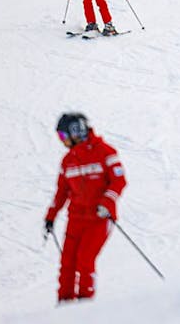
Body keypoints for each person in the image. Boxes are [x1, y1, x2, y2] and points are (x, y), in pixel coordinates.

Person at [44, 113, 126, 302]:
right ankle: (64, 303)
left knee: (84, 260)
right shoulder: (68, 161)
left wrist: (106, 203)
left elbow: (119, 181)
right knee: (67, 263)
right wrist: (50, 216)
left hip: (99, 218)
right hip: (76, 218)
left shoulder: (105, 152)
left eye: (64, 136)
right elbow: (61, 193)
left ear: (76, 132)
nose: (62, 141)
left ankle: (84, 308)